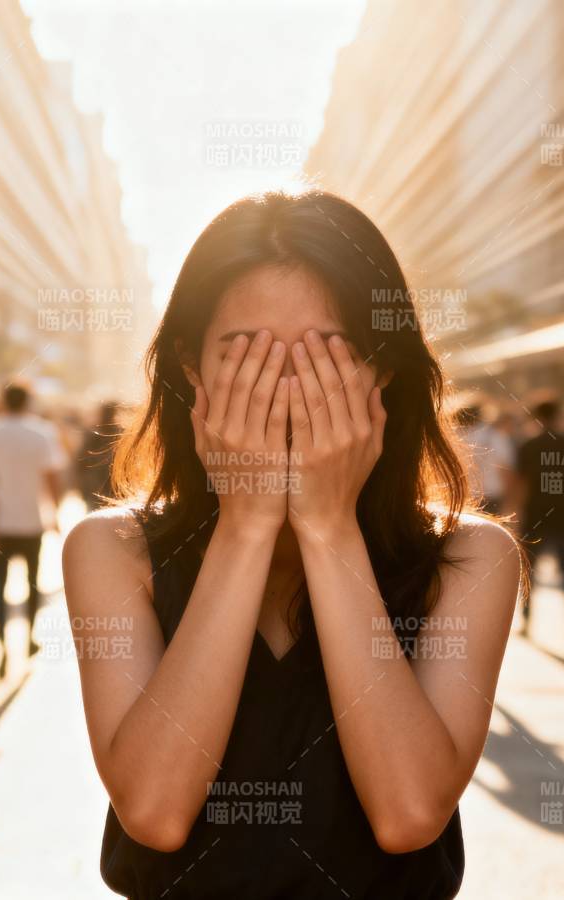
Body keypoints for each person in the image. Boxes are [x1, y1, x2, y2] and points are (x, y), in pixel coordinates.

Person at [62, 191, 520, 897]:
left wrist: (328, 527)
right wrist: (246, 527)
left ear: (383, 368)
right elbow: (153, 811)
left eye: (326, 355)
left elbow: (409, 814)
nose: (283, 391)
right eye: (244, 354)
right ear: (190, 364)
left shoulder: (469, 559)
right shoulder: (112, 550)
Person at [0, 382, 67, 678]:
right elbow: (52, 477)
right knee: (32, 582)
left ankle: (2, 645)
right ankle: (29, 637)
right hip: (31, 521)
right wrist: (54, 513)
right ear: (28, 401)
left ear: (3, 401)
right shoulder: (42, 432)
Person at [512, 397, 564, 642]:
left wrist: (516, 514)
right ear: (557, 415)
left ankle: (526, 620)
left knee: (529, 571)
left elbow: (520, 485)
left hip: (535, 513)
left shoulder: (528, 445)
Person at [454, 399, 514, 515]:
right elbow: (505, 468)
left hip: (463, 496)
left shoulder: (453, 437)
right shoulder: (496, 436)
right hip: (491, 495)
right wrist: (509, 497)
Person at [75, 401, 122, 508]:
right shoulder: (93, 434)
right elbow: (81, 463)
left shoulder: (119, 433)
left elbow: (80, 463)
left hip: (106, 490)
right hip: (100, 489)